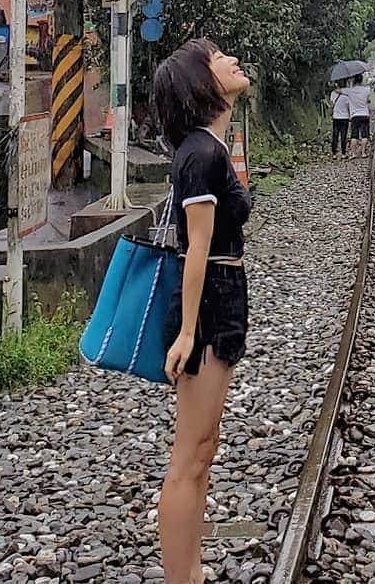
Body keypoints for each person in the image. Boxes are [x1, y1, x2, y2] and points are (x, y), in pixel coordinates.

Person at [153, 38, 252, 584]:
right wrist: (188, 331)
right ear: (201, 82)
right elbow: (194, 248)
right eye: (217, 57)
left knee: (204, 448)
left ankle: (192, 568)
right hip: (208, 304)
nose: (231, 59)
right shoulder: (199, 154)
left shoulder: (211, 147)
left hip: (222, 297)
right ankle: (180, 576)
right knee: (189, 455)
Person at [346, 75, 371, 158]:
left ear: (354, 80)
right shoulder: (367, 89)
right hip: (364, 114)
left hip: (354, 115)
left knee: (354, 135)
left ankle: (354, 153)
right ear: (361, 80)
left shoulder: (349, 91)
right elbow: (368, 100)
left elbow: (338, 91)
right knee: (365, 135)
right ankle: (363, 153)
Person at [330, 84, 351, 158]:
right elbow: (348, 106)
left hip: (336, 117)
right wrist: (350, 115)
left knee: (335, 135)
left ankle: (334, 153)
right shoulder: (347, 95)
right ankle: (343, 153)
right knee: (343, 136)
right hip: (345, 117)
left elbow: (332, 104)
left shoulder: (333, 93)